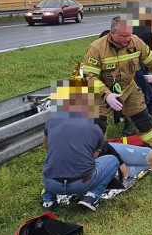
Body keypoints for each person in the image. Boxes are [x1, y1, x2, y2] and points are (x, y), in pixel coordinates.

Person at [83, 16, 152, 150]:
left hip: (128, 87)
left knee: (143, 118)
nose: (128, 39)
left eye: (129, 34)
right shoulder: (96, 48)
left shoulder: (136, 42)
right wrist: (107, 95)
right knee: (98, 125)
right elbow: (90, 76)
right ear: (112, 33)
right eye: (123, 36)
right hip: (102, 92)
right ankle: (98, 153)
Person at [41, 82, 122, 213]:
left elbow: (47, 145)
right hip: (81, 182)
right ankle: (92, 197)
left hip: (51, 183)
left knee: (52, 160)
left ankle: (48, 201)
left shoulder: (52, 121)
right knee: (112, 160)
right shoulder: (95, 128)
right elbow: (93, 157)